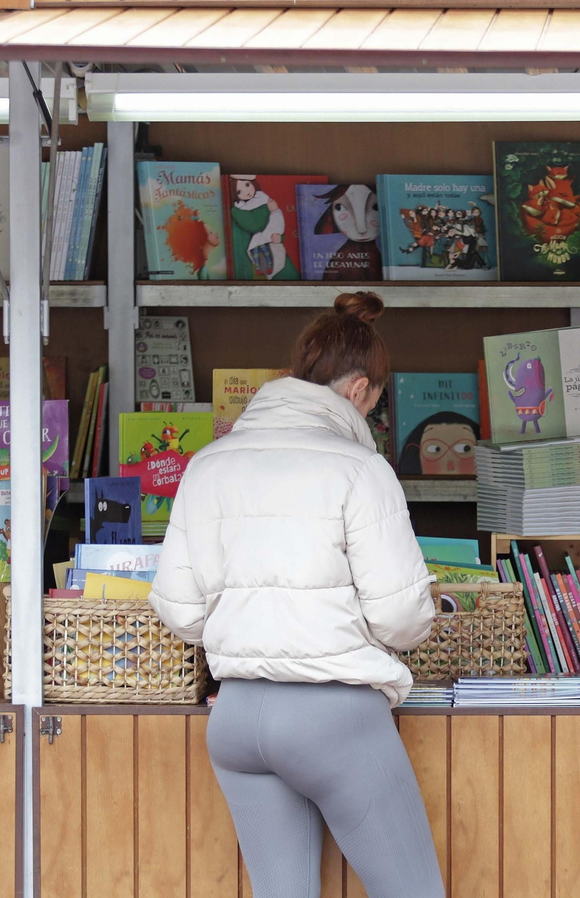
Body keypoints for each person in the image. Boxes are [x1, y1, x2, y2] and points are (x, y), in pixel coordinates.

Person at [149, 292, 445, 898]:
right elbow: (400, 616)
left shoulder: (207, 465)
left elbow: (178, 610)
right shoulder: (360, 470)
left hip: (235, 718)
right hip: (335, 721)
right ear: (360, 389)